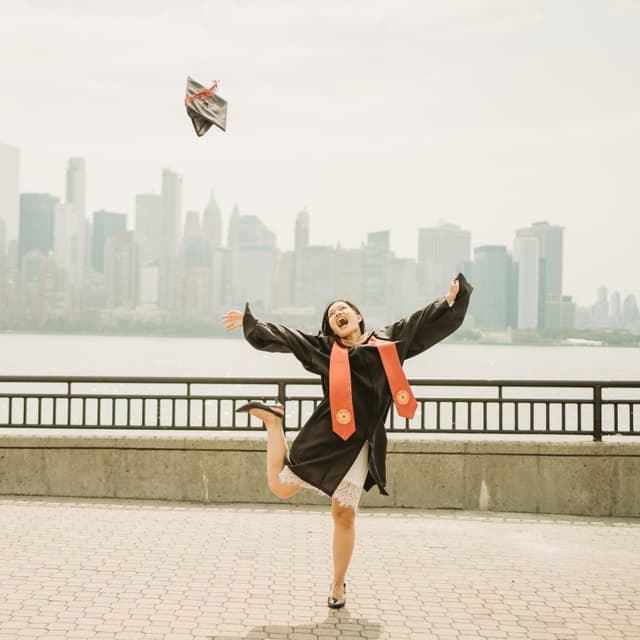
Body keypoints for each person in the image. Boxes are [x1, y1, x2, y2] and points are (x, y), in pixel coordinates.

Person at [222, 273, 472, 609]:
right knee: (280, 487)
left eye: (343, 309)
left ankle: (338, 584)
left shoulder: (388, 343)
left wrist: (450, 301)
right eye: (330, 315)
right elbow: (289, 337)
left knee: (343, 513)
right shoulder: (326, 350)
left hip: (359, 443)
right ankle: (274, 422)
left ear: (357, 317)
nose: (337, 314)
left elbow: (421, 322)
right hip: (327, 434)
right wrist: (251, 323)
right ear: (332, 328)